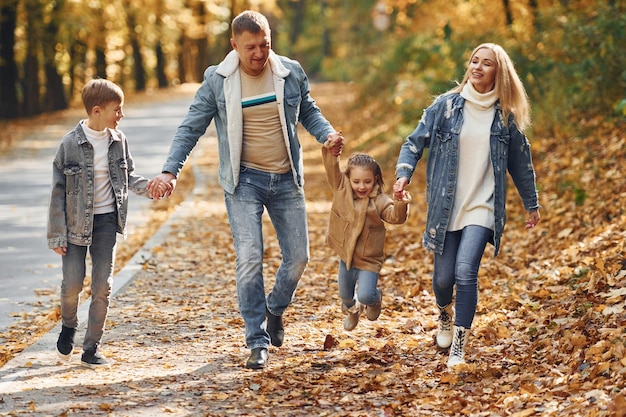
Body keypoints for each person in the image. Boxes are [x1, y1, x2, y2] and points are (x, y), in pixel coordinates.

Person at [147, 10, 344, 370]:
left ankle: (274, 308)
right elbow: (190, 128)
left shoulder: (289, 71)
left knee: (299, 257)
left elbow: (309, 112)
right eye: (251, 47)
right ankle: (257, 340)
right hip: (244, 181)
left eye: (265, 45)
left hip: (286, 178)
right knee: (250, 257)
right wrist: (169, 171)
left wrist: (326, 134)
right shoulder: (218, 80)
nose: (259, 54)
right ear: (234, 45)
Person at [393, 43, 540, 369]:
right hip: (447, 205)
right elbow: (413, 143)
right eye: (475, 61)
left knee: (465, 271)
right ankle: (445, 315)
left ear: (498, 73)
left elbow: (520, 162)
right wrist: (403, 175)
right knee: (444, 279)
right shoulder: (444, 107)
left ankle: (459, 345)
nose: (478, 67)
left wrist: (531, 204)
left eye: (486, 64)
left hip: (482, 206)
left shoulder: (505, 118)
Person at [47, 79, 169, 368]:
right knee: (72, 285)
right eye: (118, 109)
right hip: (75, 227)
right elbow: (57, 191)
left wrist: (150, 187)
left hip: (106, 224)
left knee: (103, 286)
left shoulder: (119, 141)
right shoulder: (69, 144)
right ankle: (68, 326)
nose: (121, 115)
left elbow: (128, 178)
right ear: (98, 110)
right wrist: (57, 234)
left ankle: (91, 348)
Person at [322, 139, 410, 331]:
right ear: (348, 179)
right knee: (345, 295)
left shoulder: (379, 201)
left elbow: (395, 217)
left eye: (367, 182)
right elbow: (332, 167)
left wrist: (400, 203)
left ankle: (375, 298)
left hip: (369, 260)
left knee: (365, 296)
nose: (361, 186)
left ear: (376, 179)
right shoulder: (341, 189)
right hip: (347, 257)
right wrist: (331, 150)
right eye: (356, 182)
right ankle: (353, 311)